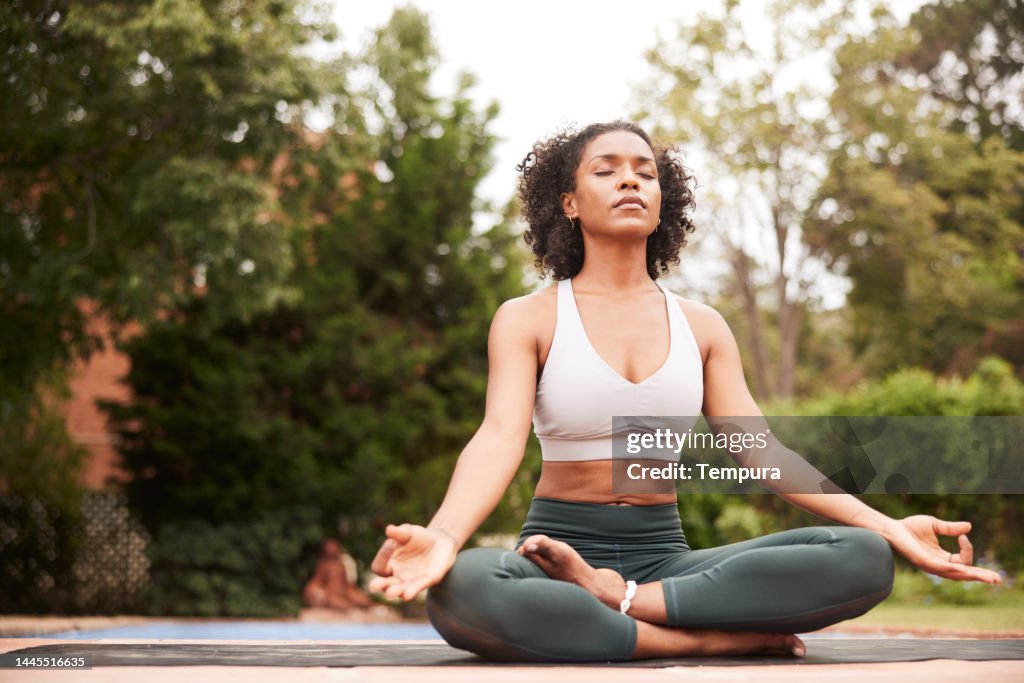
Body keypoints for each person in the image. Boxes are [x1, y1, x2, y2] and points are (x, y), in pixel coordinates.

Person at [368, 121, 1001, 662]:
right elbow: (498, 437)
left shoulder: (702, 325)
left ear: (662, 200)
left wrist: (888, 526)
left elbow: (763, 454)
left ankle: (622, 605)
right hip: (555, 552)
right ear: (568, 202)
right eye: (606, 169)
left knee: (861, 558)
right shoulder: (528, 317)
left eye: (645, 172)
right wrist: (446, 538)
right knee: (467, 586)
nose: (630, 180)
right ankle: (701, 642)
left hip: (668, 563)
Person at [303, 538, 374, 610]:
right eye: (330, 552)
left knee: (362, 600)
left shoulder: (341, 566)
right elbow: (316, 582)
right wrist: (317, 592)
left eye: (334, 550)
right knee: (342, 604)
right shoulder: (324, 566)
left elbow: (347, 584)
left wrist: (354, 593)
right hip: (330, 595)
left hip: (343, 593)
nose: (332, 551)